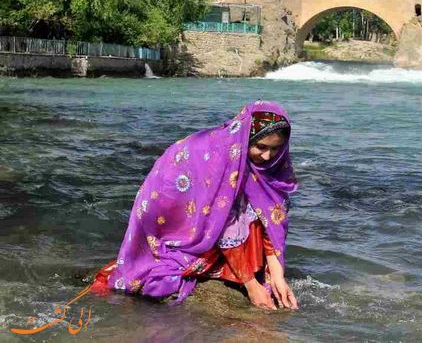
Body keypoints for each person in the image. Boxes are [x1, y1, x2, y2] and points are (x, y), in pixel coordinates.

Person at [92, 101, 299, 310]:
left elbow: (270, 219)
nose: (267, 156)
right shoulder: (223, 157)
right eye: (261, 147)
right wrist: (252, 286)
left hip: (215, 214)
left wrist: (278, 277)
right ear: (245, 138)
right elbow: (223, 223)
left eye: (276, 149)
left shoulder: (268, 167)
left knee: (255, 209)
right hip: (176, 217)